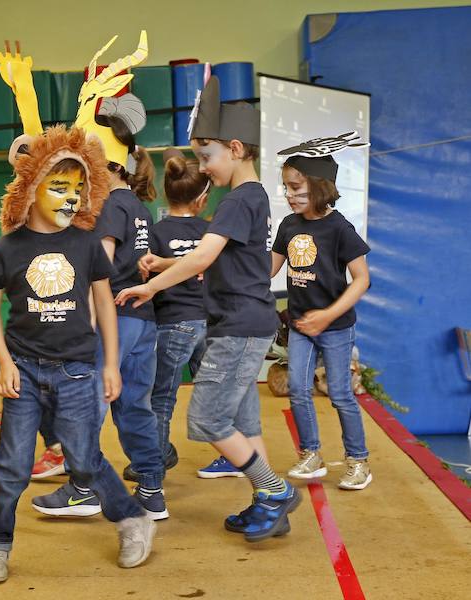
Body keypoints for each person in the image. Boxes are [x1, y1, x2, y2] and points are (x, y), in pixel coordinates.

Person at [116, 75, 300, 542]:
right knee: (238, 420)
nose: (203, 167)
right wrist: (168, 261)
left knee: (206, 420)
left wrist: (151, 286)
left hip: (239, 324)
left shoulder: (239, 198)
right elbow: (217, 257)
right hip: (243, 320)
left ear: (235, 148)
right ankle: (266, 501)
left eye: (207, 156)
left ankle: (274, 491)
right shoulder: (247, 199)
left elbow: (203, 256)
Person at [0, 126, 154, 583]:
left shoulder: (87, 244)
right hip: (24, 373)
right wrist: (5, 364)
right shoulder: (6, 249)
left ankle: (133, 518)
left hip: (77, 370)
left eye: (79, 188)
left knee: (83, 457)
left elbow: (103, 306)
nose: (71, 198)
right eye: (59, 187)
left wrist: (110, 363)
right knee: (11, 464)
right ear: (32, 187)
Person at [272, 133, 372, 490]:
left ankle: (358, 461)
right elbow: (268, 269)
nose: (289, 194)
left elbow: (361, 280)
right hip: (300, 323)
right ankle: (311, 453)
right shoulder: (288, 225)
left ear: (319, 185)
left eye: (296, 186)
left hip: (334, 326)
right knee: (298, 388)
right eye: (285, 186)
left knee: (341, 394)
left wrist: (328, 315)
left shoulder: (339, 228)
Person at [135, 149, 210, 479]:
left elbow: (144, 271)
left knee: (162, 400)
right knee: (215, 394)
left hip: (173, 324)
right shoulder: (211, 233)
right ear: (201, 201)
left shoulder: (157, 232)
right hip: (208, 322)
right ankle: (239, 458)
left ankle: (156, 465)